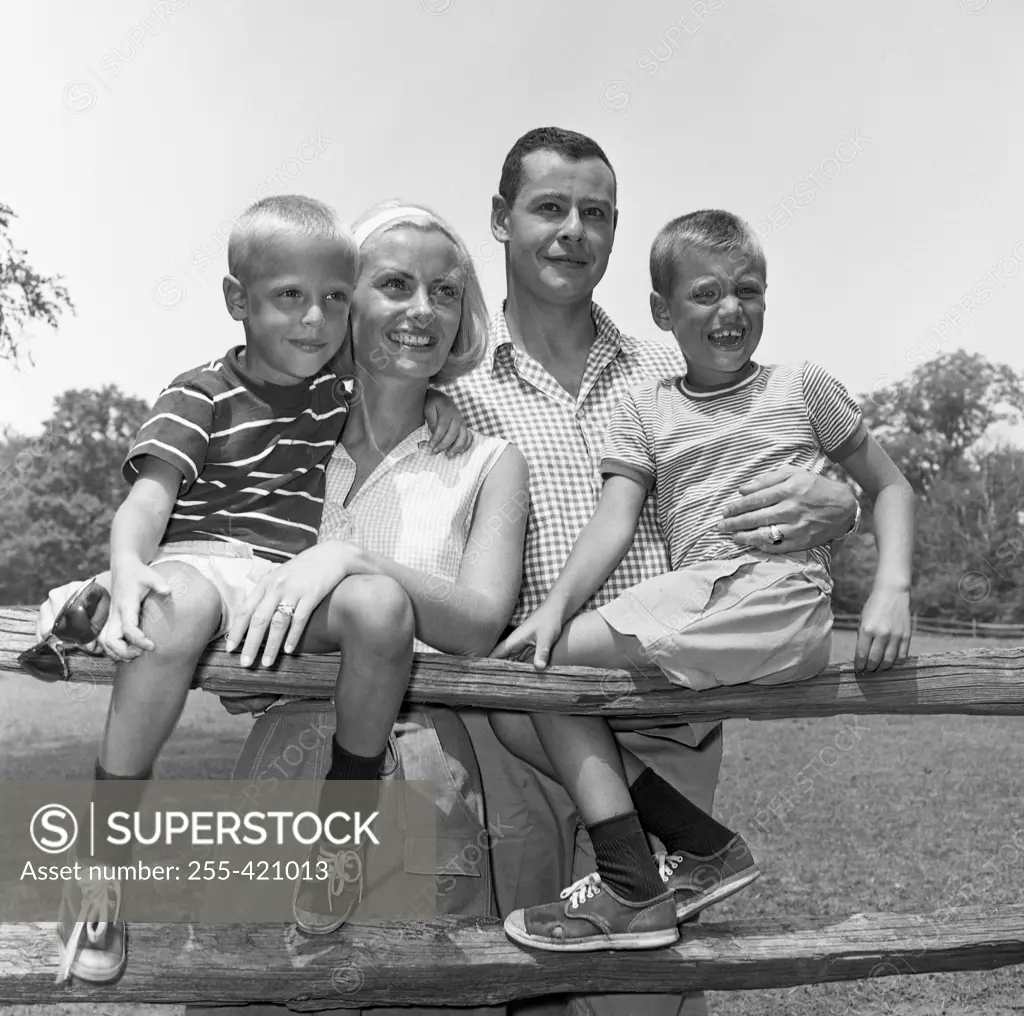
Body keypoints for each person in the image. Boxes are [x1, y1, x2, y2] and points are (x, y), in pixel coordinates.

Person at [441, 127, 864, 1016]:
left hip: (665, 720)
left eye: (594, 212)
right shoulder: (452, 389)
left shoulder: (678, 365)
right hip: (520, 731)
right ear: (499, 219)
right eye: (548, 207)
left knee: (646, 998)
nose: (572, 230)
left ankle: (672, 859)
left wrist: (843, 506)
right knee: (522, 982)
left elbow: (801, 469)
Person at [37, 195, 484, 987]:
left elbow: (396, 384)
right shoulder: (202, 393)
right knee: (173, 615)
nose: (314, 320)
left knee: (382, 605)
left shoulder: (333, 391)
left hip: (283, 578)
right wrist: (131, 561)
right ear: (238, 301)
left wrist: (439, 401)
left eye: (334, 299)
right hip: (201, 558)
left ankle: (340, 832)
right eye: (288, 297)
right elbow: (147, 500)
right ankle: (100, 866)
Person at [488, 208, 916, 953]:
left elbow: (891, 487)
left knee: (539, 680)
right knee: (527, 693)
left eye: (749, 290)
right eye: (707, 294)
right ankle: (691, 849)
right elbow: (613, 521)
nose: (731, 310)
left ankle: (634, 880)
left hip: (777, 594)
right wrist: (555, 609)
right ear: (662, 311)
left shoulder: (801, 386)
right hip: (706, 602)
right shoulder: (645, 407)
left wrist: (891, 588)